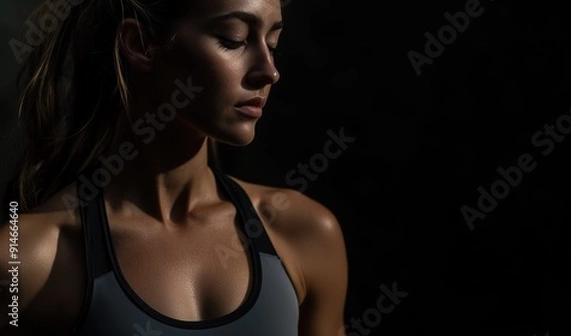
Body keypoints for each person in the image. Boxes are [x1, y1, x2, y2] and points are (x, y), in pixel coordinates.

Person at [0, 0, 348, 335]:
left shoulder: (304, 232)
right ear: (139, 44)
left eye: (272, 43)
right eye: (234, 39)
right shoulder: (26, 260)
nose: (269, 70)